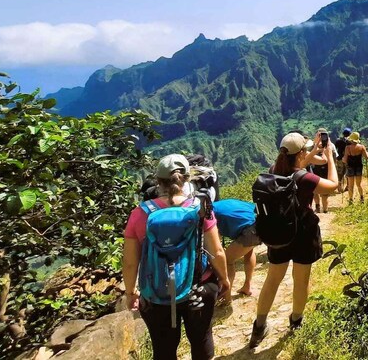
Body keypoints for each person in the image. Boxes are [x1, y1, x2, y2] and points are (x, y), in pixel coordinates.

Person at [122, 154, 231, 360]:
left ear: (157, 181)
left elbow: (129, 262)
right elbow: (217, 252)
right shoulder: (199, 209)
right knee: (201, 340)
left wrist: (130, 292)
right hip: (199, 288)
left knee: (163, 349)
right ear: (187, 179)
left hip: (155, 292)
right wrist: (224, 280)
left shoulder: (140, 213)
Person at [249, 132, 338, 348]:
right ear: (300, 154)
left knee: (272, 280)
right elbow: (333, 185)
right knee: (301, 280)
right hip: (303, 235)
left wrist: (313, 151)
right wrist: (329, 157)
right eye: (305, 151)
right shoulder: (305, 179)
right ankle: (296, 320)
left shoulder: (273, 172)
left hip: (278, 234)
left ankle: (259, 326)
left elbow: (295, 165)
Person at [212, 198, 260, 296]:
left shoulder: (209, 214)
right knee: (249, 251)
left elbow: (215, 241)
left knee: (227, 260)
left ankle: (227, 297)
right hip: (260, 223)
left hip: (250, 230)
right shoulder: (220, 205)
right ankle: (247, 286)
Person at [309, 128, 338, 213]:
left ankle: (318, 207)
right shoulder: (331, 145)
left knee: (315, 189)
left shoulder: (313, 145)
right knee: (323, 191)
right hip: (326, 169)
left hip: (315, 169)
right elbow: (334, 157)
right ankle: (325, 210)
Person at [342, 132, 368, 204]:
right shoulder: (362, 147)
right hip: (359, 167)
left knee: (351, 185)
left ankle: (351, 200)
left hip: (350, 167)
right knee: (358, 184)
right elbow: (366, 157)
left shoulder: (347, 148)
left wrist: (343, 160)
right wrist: (367, 152)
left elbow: (345, 159)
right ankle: (362, 198)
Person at [334, 127, 352, 192]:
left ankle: (339, 187)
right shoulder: (350, 142)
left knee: (340, 172)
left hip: (339, 158)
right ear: (350, 134)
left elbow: (335, 149)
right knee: (348, 172)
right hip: (348, 159)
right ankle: (348, 186)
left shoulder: (338, 140)